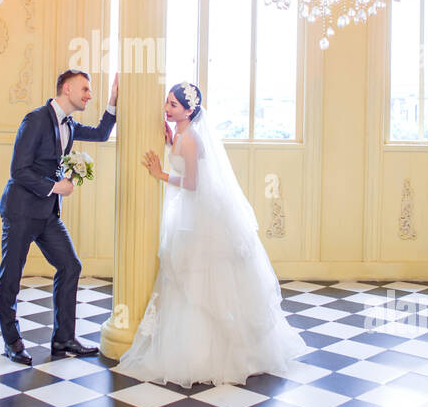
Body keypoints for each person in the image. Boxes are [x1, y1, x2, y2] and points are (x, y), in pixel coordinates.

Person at [116, 81, 306, 387]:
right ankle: (190, 349)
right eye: (167, 102)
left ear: (190, 111)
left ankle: (215, 355)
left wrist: (159, 174)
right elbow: (184, 161)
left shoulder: (191, 138)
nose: (166, 108)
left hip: (201, 214)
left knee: (203, 277)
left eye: (173, 105)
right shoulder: (180, 133)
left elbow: (192, 183)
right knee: (183, 276)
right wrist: (168, 143)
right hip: (189, 212)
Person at [0, 69, 117, 365]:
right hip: (22, 211)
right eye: (85, 89)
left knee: (71, 266)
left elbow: (101, 133)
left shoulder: (70, 124)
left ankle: (63, 339)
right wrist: (55, 187)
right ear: (66, 88)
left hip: (47, 214)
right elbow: (19, 171)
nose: (90, 95)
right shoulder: (35, 119)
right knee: (11, 276)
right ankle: (12, 342)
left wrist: (113, 102)